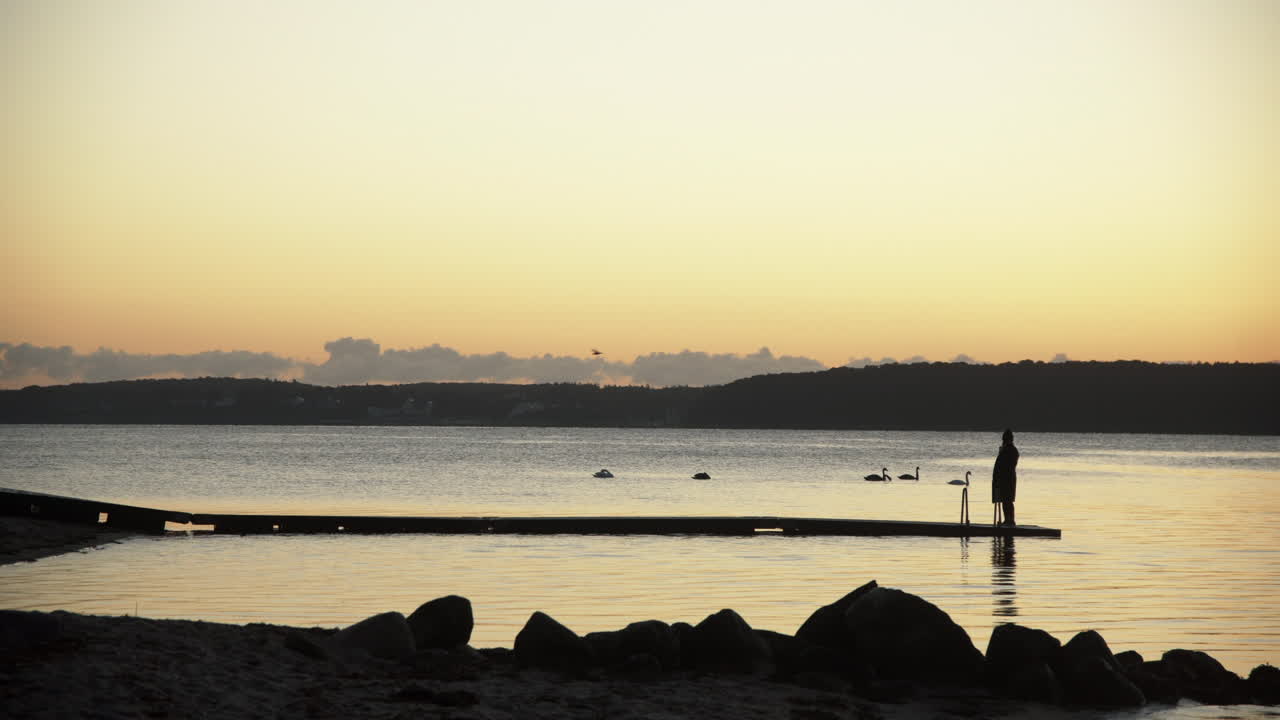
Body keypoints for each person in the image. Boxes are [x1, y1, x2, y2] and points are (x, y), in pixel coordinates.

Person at [992, 428, 1019, 526]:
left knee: (1007, 500)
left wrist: (1001, 452)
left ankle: (1010, 520)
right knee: (1005, 500)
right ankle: (1008, 519)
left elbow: (1006, 465)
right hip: (1006, 478)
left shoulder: (1010, 450)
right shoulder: (1009, 450)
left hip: (1007, 478)